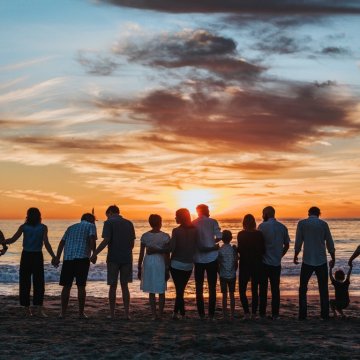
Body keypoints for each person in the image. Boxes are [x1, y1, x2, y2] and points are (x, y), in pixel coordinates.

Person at [1, 208, 56, 317]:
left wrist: (3, 242)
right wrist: (54, 256)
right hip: (36, 256)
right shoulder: (42, 227)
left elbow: (12, 240)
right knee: (38, 283)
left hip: (26, 256)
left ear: (28, 216)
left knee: (25, 282)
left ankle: (27, 309)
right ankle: (38, 309)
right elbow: (46, 243)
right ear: (39, 215)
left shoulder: (24, 227)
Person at [90, 205, 135, 320]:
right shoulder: (129, 223)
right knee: (125, 286)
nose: (107, 217)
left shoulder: (109, 223)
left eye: (107, 215)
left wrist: (95, 253)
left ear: (110, 212)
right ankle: (126, 314)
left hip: (113, 258)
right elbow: (132, 244)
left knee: (113, 286)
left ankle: (112, 313)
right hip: (127, 258)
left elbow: (106, 240)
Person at [294, 206, 335, 320]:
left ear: (308, 213)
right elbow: (329, 242)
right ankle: (325, 315)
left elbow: (298, 241)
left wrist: (296, 255)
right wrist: (333, 256)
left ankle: (303, 314)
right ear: (319, 214)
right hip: (321, 260)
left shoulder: (302, 224)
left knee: (303, 288)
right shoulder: (323, 224)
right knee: (323, 288)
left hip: (307, 260)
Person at [53, 213, 97, 319]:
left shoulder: (71, 227)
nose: (94, 221)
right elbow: (92, 239)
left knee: (66, 286)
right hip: (82, 258)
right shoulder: (91, 226)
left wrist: (57, 257)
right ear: (88, 219)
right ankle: (81, 313)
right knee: (81, 286)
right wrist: (94, 254)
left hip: (68, 258)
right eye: (93, 219)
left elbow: (61, 243)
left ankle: (62, 313)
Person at [258, 206, 290, 320]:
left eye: (263, 213)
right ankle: (275, 314)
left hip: (264, 262)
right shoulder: (282, 227)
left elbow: (258, 244)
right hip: (276, 263)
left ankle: (262, 314)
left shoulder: (262, 226)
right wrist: (280, 255)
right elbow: (287, 245)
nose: (262, 216)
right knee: (275, 289)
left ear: (266, 214)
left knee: (263, 289)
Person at [192, 204, 222, 320]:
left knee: (198, 287)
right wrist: (211, 242)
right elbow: (219, 236)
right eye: (208, 209)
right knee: (212, 287)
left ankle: (201, 314)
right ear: (205, 211)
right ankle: (211, 314)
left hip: (198, 259)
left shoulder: (193, 223)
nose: (209, 211)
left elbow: (193, 240)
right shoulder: (213, 221)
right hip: (212, 258)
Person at [137, 214, 170, 320]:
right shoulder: (165, 236)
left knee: (151, 290)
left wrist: (139, 267)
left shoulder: (145, 236)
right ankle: (160, 314)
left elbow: (141, 253)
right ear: (160, 223)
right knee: (161, 289)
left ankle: (154, 315)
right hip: (160, 262)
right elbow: (167, 254)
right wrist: (167, 268)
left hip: (149, 262)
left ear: (150, 223)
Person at [169, 208, 199, 320]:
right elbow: (197, 246)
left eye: (176, 216)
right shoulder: (195, 230)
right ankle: (177, 313)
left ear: (181, 217)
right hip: (188, 265)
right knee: (180, 290)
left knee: (179, 290)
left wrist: (162, 246)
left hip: (176, 264)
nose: (175, 218)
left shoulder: (176, 231)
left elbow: (172, 248)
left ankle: (181, 314)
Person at [237, 214, 265, 319]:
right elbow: (263, 250)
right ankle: (253, 313)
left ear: (244, 223)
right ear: (254, 223)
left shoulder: (241, 234)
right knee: (254, 290)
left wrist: (236, 249)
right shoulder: (259, 234)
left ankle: (246, 313)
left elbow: (240, 250)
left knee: (242, 289)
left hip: (245, 264)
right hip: (257, 264)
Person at [218, 230, 237, 321]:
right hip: (232, 275)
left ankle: (225, 315)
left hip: (223, 275)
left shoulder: (220, 250)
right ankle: (232, 315)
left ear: (221, 239)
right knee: (232, 295)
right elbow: (236, 262)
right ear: (231, 238)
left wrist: (220, 272)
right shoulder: (233, 249)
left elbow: (219, 262)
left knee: (224, 296)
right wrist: (234, 270)